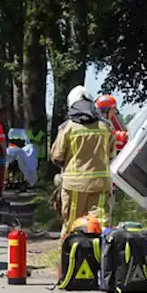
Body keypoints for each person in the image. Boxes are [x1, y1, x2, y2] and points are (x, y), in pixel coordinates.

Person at [50, 86, 114, 238]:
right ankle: (99, 260)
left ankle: (68, 260)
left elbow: (56, 156)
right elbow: (111, 154)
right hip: (100, 185)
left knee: (71, 226)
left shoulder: (68, 127)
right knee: (99, 227)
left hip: (74, 187)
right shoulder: (106, 127)